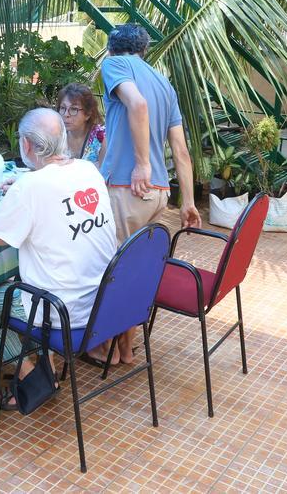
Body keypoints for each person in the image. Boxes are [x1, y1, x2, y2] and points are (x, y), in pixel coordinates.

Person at [0, 108, 117, 403]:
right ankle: (46, 363)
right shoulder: (87, 170)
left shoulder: (30, 187)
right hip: (106, 303)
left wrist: (21, 193)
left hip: (64, 314)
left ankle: (32, 374)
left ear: (26, 145)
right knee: (40, 273)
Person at [94, 23, 201, 365]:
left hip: (129, 187)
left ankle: (109, 349)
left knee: (111, 271)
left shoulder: (114, 65)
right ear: (144, 51)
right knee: (135, 271)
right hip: (158, 195)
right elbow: (181, 152)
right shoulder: (163, 82)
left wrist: (141, 164)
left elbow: (136, 106)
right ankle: (127, 348)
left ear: (112, 50)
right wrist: (188, 201)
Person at [57, 83, 106, 167]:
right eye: (63, 108)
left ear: (88, 114)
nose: (66, 114)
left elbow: (105, 175)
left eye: (74, 109)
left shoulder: (101, 138)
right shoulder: (56, 136)